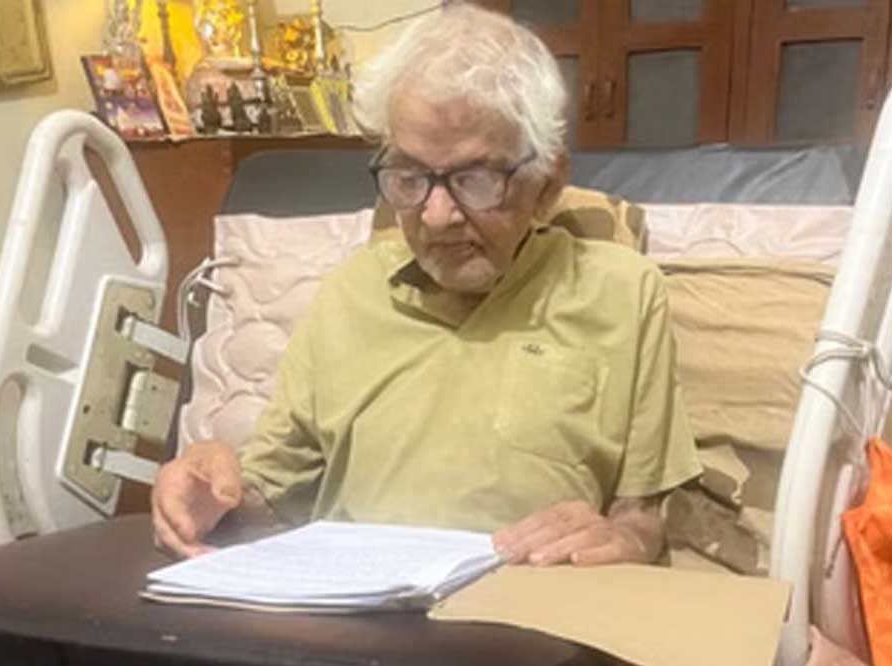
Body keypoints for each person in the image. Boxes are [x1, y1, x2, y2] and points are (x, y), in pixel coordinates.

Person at [152, 4, 702, 566]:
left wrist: (625, 539)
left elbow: (644, 518)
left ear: (546, 184)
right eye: (409, 177)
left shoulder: (623, 292)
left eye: (474, 179)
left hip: (530, 601)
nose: (437, 216)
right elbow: (271, 498)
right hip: (358, 604)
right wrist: (210, 496)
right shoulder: (350, 292)